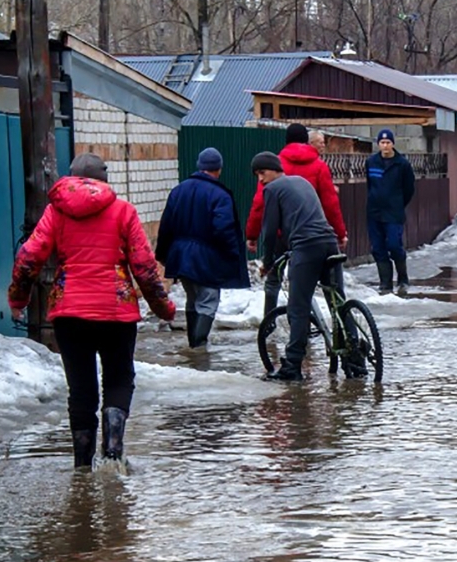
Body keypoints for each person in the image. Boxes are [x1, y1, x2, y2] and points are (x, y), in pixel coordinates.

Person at [8, 153, 176, 468]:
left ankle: (82, 465)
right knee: (118, 378)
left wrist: (18, 299)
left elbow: (29, 258)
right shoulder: (123, 211)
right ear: (105, 179)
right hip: (116, 312)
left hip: (69, 313)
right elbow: (143, 267)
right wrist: (164, 308)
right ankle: (113, 453)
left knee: (81, 388)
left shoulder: (55, 212)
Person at [253, 151, 365, 381]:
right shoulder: (302, 183)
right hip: (329, 243)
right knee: (338, 302)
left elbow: (271, 230)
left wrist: (268, 262)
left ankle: (292, 366)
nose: (261, 180)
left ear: (274, 169)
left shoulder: (272, 190)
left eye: (262, 173)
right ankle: (356, 357)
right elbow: (300, 220)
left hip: (307, 248)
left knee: (298, 306)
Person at [245, 123, 347, 317]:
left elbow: (260, 203)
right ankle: (340, 329)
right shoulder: (319, 166)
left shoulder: (275, 166)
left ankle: (270, 319)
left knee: (274, 278)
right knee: (317, 283)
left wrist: (252, 234)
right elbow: (330, 204)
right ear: (307, 141)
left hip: (280, 234)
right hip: (311, 236)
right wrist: (340, 233)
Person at [155, 147, 250, 348]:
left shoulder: (179, 190)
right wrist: (232, 254)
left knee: (192, 298)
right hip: (207, 258)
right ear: (219, 169)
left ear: (199, 166)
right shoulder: (219, 194)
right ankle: (199, 345)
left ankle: (193, 342)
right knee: (207, 300)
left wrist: (163, 254)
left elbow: (166, 225)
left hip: (181, 256)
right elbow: (224, 229)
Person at [365, 128, 416, 294]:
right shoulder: (371, 162)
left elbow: (409, 189)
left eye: (388, 142)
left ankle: (402, 278)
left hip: (393, 213)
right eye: (382, 142)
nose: (385, 145)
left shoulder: (402, 164)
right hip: (374, 212)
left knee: (394, 245)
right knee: (378, 248)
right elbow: (370, 184)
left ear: (393, 144)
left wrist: (398, 203)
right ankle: (385, 283)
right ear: (378, 144)